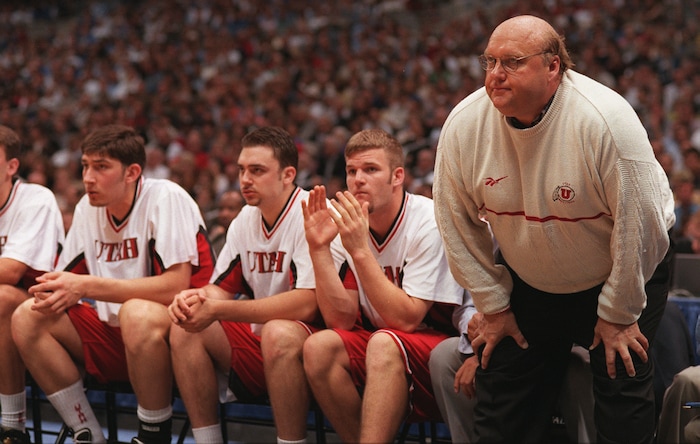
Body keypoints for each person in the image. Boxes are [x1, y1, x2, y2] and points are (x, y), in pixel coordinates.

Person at [432, 15, 675, 443]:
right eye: (489, 62)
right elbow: (454, 225)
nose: (495, 75)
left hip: (620, 271)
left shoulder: (605, 120)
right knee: (502, 392)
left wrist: (618, 314)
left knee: (622, 382)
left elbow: (644, 228)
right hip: (532, 279)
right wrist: (493, 306)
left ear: (553, 67)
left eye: (512, 62)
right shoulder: (464, 125)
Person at [11, 124, 214, 444]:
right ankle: (86, 432)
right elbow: (66, 278)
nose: (88, 177)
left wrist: (86, 286)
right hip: (118, 334)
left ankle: (153, 435)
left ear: (132, 172)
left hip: (183, 336)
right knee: (27, 314)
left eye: (101, 167)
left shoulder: (166, 196)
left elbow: (175, 285)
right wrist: (48, 290)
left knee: (136, 313)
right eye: (85, 166)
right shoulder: (86, 208)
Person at [295, 128, 464, 443]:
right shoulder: (345, 224)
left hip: (440, 345)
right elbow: (340, 320)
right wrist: (318, 249)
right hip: (382, 342)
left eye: (370, 170)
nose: (358, 179)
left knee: (385, 341)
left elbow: (409, 319)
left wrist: (359, 251)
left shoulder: (427, 221)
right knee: (319, 348)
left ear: (397, 176)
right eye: (351, 171)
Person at [166, 126, 321, 444]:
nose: (245, 179)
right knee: (186, 321)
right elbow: (219, 289)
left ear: (288, 174)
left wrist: (219, 308)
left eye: (257, 170)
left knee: (278, 331)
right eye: (241, 170)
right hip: (263, 344)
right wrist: (195, 298)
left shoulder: (314, 214)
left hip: (316, 346)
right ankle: (208, 440)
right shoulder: (245, 219)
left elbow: (307, 303)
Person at [0, 125, 64, 444]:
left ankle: (13, 427)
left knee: (3, 298)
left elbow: (11, 271)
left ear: (12, 166)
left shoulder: (36, 198)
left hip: (48, 312)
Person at [207, 189, 244, 257]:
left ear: (243, 211)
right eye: (221, 209)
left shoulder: (249, 240)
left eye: (231, 209)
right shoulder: (216, 239)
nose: (224, 214)